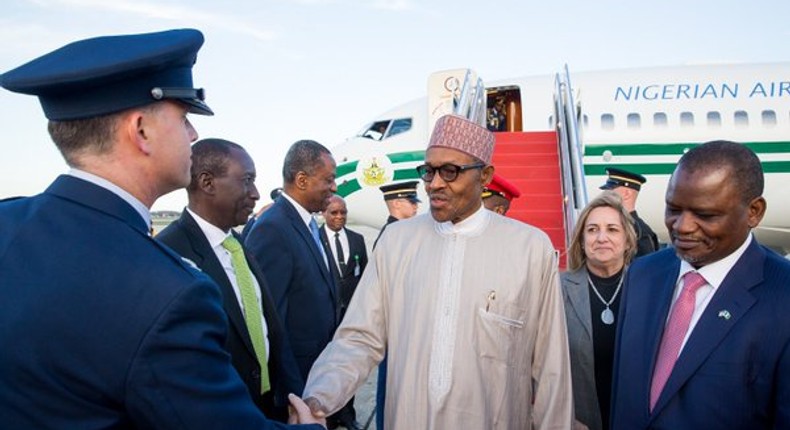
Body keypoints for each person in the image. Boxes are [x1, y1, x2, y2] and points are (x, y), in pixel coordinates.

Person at [0, 29, 322, 429]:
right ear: (141, 130)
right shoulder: (171, 292)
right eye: (184, 118)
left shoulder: (7, 226)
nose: (193, 134)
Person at [302, 114, 573, 429]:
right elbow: (359, 338)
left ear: (484, 176)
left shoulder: (529, 248)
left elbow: (551, 365)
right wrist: (319, 398)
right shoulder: (396, 242)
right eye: (429, 171)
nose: (435, 183)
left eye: (450, 171)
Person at [611, 140, 790, 429]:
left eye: (705, 215)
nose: (682, 226)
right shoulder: (642, 275)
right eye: (674, 209)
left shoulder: (783, 295)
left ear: (754, 212)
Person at [156, 138, 304, 421]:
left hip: (265, 410)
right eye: (247, 180)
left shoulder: (237, 245)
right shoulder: (167, 254)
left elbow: (268, 327)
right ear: (207, 183)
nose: (256, 193)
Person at [245, 140, 339, 382]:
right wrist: (290, 391)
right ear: (302, 180)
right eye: (328, 179)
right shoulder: (272, 229)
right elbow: (271, 319)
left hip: (319, 366)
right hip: (298, 376)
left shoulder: (307, 224)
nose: (334, 187)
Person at [561, 191, 637, 430]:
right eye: (592, 230)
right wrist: (562, 418)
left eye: (612, 229)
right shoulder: (557, 289)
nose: (602, 237)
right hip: (578, 422)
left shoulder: (648, 288)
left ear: (627, 240)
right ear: (582, 241)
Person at [318, 194, 368, 430]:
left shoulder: (357, 239)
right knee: (327, 367)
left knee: (349, 366)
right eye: (334, 213)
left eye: (343, 213)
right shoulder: (314, 239)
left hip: (350, 315)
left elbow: (365, 276)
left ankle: (347, 415)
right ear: (323, 214)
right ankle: (326, 414)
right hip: (325, 315)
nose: (339, 217)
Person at [599, 167, 659, 257]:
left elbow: (646, 267)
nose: (605, 194)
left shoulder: (639, 231)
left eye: (610, 190)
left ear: (627, 194)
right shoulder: (623, 224)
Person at [372, 180, 420, 249]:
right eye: (412, 202)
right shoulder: (392, 234)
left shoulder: (397, 231)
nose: (416, 207)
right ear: (396, 204)